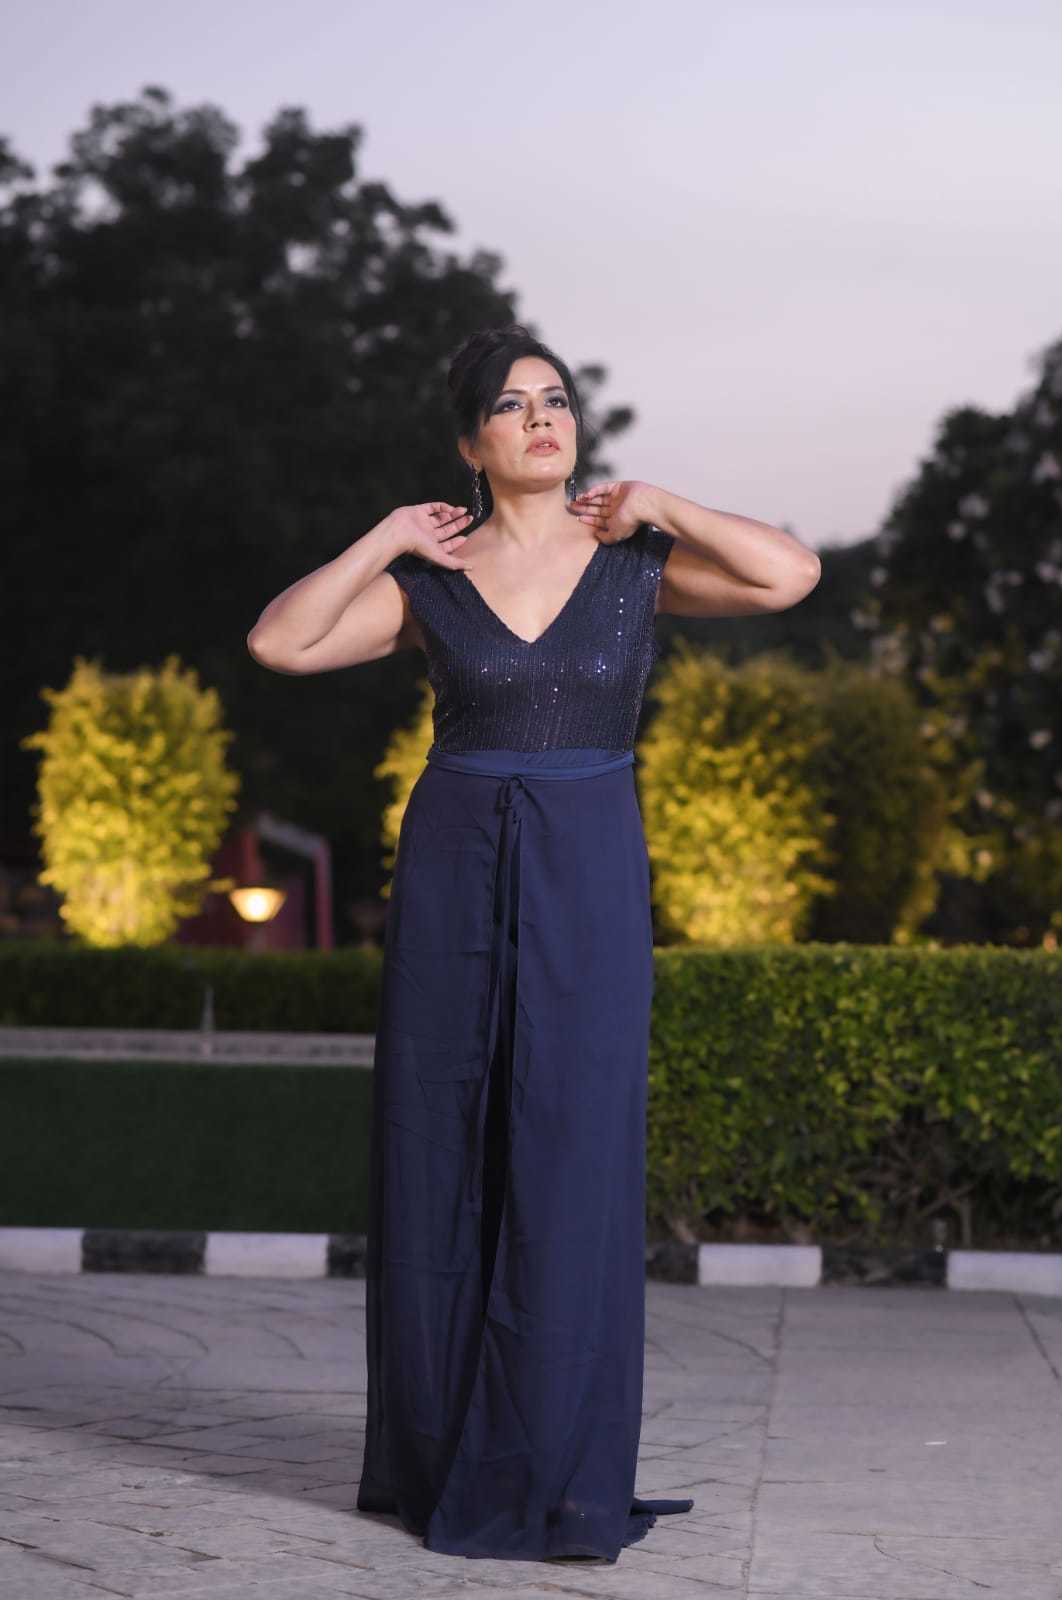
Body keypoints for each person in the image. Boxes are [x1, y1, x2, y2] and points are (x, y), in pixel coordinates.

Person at [247, 323, 821, 1562]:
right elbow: (279, 643)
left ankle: (556, 1460)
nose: (541, 419)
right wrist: (385, 539)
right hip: (454, 863)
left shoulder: (634, 561)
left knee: (572, 1146)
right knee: (442, 1139)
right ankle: (438, 1449)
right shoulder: (432, 582)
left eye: (554, 399)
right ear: (470, 443)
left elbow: (789, 576)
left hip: (589, 865)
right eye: (510, 406)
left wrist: (664, 501)